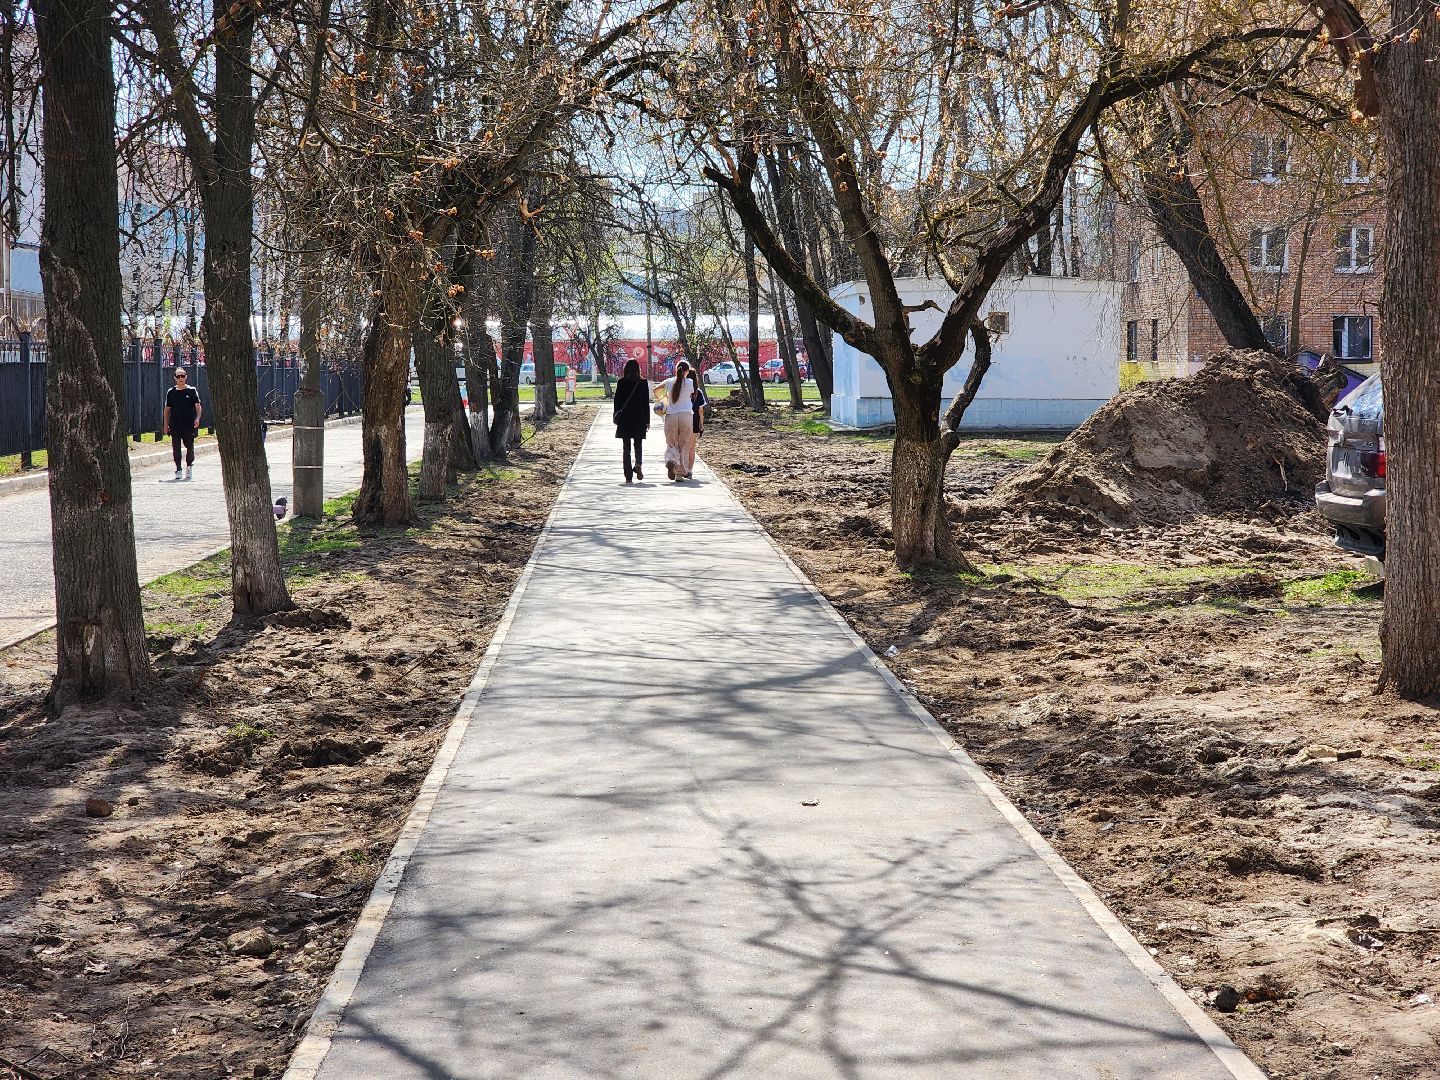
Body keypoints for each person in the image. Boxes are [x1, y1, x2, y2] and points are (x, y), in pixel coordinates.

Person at [653, 359, 697, 482]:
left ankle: (671, 460)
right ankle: (679, 474)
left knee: (672, 442)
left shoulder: (669, 382)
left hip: (671, 416)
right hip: (686, 416)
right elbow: (691, 393)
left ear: (676, 370)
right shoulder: (689, 382)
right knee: (684, 445)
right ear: (687, 371)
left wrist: (663, 399)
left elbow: (656, 390)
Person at [612, 358, 650, 483]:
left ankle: (628, 475)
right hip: (639, 418)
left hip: (625, 419)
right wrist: (647, 420)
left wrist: (616, 416)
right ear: (638, 369)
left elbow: (617, 402)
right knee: (638, 444)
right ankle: (638, 464)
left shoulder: (621, 382)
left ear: (626, 369)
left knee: (626, 447)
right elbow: (646, 403)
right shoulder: (643, 383)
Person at [164, 366, 203, 480]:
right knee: (176, 447)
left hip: (188, 424)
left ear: (186, 377)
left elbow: (198, 407)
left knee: (189, 446)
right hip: (175, 424)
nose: (180, 378)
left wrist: (198, 418)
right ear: (175, 378)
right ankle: (178, 469)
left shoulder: (191, 390)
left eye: (182, 376)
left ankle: (189, 466)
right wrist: (165, 424)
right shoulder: (171, 392)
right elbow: (167, 410)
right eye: (178, 376)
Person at [688, 372, 707, 478]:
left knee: (682, 447)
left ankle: (681, 469)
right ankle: (689, 470)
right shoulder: (698, 392)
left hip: (683, 419)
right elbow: (701, 410)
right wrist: (701, 424)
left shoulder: (682, 390)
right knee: (692, 448)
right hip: (694, 420)